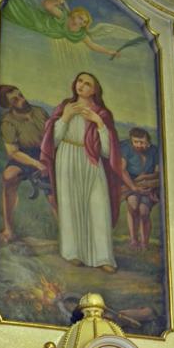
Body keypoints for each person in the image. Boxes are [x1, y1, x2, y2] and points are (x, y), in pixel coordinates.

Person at [41, 72, 123, 273]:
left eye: (87, 84)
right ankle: (73, 252)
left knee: (98, 206)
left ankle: (103, 257)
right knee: (70, 204)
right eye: (80, 81)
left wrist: (99, 123)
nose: (82, 86)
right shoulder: (65, 107)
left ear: (95, 90)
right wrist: (65, 117)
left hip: (91, 160)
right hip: (67, 158)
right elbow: (53, 141)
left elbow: (107, 151)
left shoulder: (102, 113)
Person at [0, 84, 52, 242]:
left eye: (20, 95)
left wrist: (46, 159)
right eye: (15, 100)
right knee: (8, 177)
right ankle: (8, 229)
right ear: (8, 105)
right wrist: (36, 164)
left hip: (45, 152)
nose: (22, 100)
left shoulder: (40, 112)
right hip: (24, 155)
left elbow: (52, 136)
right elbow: (13, 152)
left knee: (53, 191)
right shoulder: (8, 122)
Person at [120, 127, 160, 249]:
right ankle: (133, 240)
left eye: (141, 142)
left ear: (148, 141)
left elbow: (158, 173)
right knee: (133, 204)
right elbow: (122, 170)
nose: (138, 145)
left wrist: (144, 178)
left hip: (149, 186)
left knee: (144, 211)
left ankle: (144, 243)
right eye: (135, 142)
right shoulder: (126, 148)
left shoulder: (154, 151)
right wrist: (134, 186)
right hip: (131, 185)